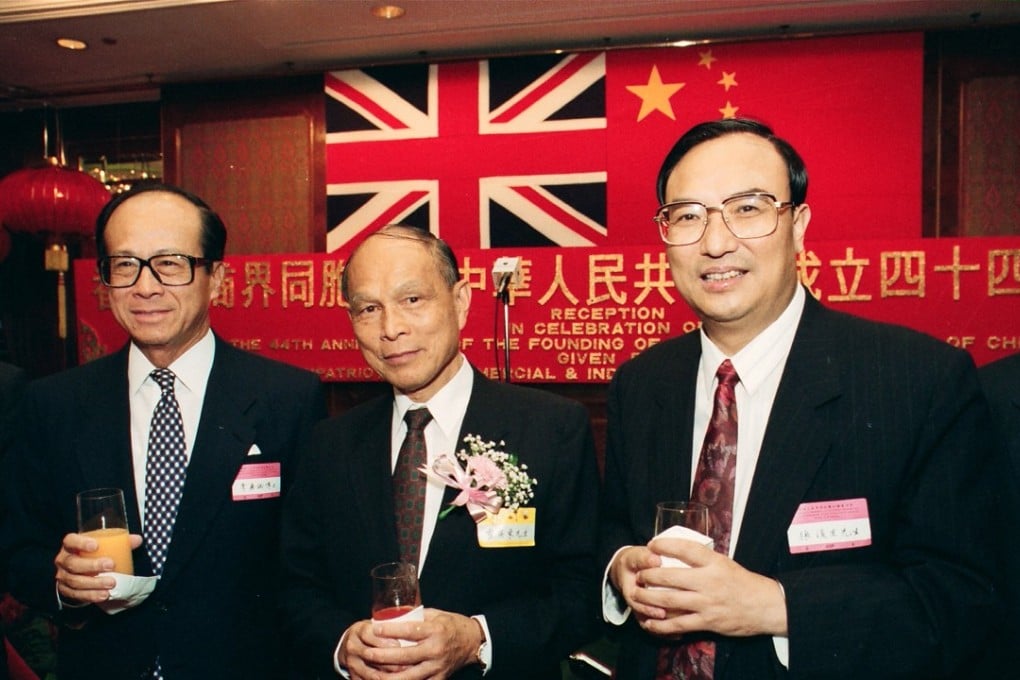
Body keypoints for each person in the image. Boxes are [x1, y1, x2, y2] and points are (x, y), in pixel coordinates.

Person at [599, 119, 997, 679]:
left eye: (748, 208)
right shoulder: (643, 383)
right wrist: (623, 568)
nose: (715, 242)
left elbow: (960, 600)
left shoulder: (918, 381)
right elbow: (615, 524)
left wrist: (773, 607)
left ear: (799, 225)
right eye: (687, 216)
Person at [1, 184, 326, 679]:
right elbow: (19, 548)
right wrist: (62, 582)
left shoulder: (289, 398)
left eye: (170, 263)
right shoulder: (54, 404)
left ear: (215, 277)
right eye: (125, 264)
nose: (145, 286)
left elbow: (312, 562)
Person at [280, 225, 601, 679]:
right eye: (369, 309)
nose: (391, 329)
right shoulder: (330, 443)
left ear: (461, 300)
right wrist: (341, 644)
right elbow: (297, 587)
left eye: (413, 300)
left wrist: (478, 638)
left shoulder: (550, 428)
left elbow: (582, 593)